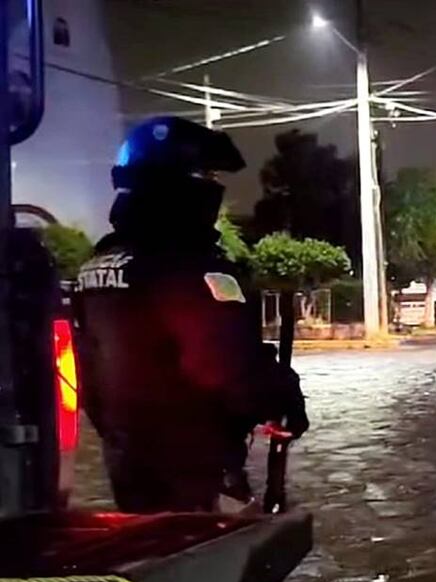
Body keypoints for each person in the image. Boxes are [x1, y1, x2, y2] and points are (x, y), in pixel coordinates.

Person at [73, 116, 308, 514]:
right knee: (235, 562)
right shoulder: (190, 269)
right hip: (196, 473)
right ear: (182, 185)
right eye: (208, 176)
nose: (215, 189)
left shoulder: (97, 265)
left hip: (128, 468)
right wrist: (282, 398)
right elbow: (225, 366)